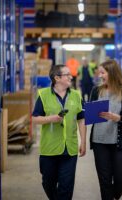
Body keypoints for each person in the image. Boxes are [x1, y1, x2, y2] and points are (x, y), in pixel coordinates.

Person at [32, 64, 86, 200]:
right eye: (67, 74)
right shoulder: (43, 95)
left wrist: (83, 141)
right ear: (57, 78)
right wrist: (52, 118)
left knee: (66, 186)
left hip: (70, 148)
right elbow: (34, 119)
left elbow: (81, 119)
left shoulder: (76, 95)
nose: (71, 76)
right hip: (49, 148)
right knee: (48, 183)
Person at [89, 59, 122, 200]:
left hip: (118, 143)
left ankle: (115, 195)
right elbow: (91, 115)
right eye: (99, 73)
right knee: (104, 180)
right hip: (99, 141)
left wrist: (116, 117)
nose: (100, 76)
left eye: (103, 73)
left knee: (120, 179)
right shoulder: (96, 90)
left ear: (112, 73)